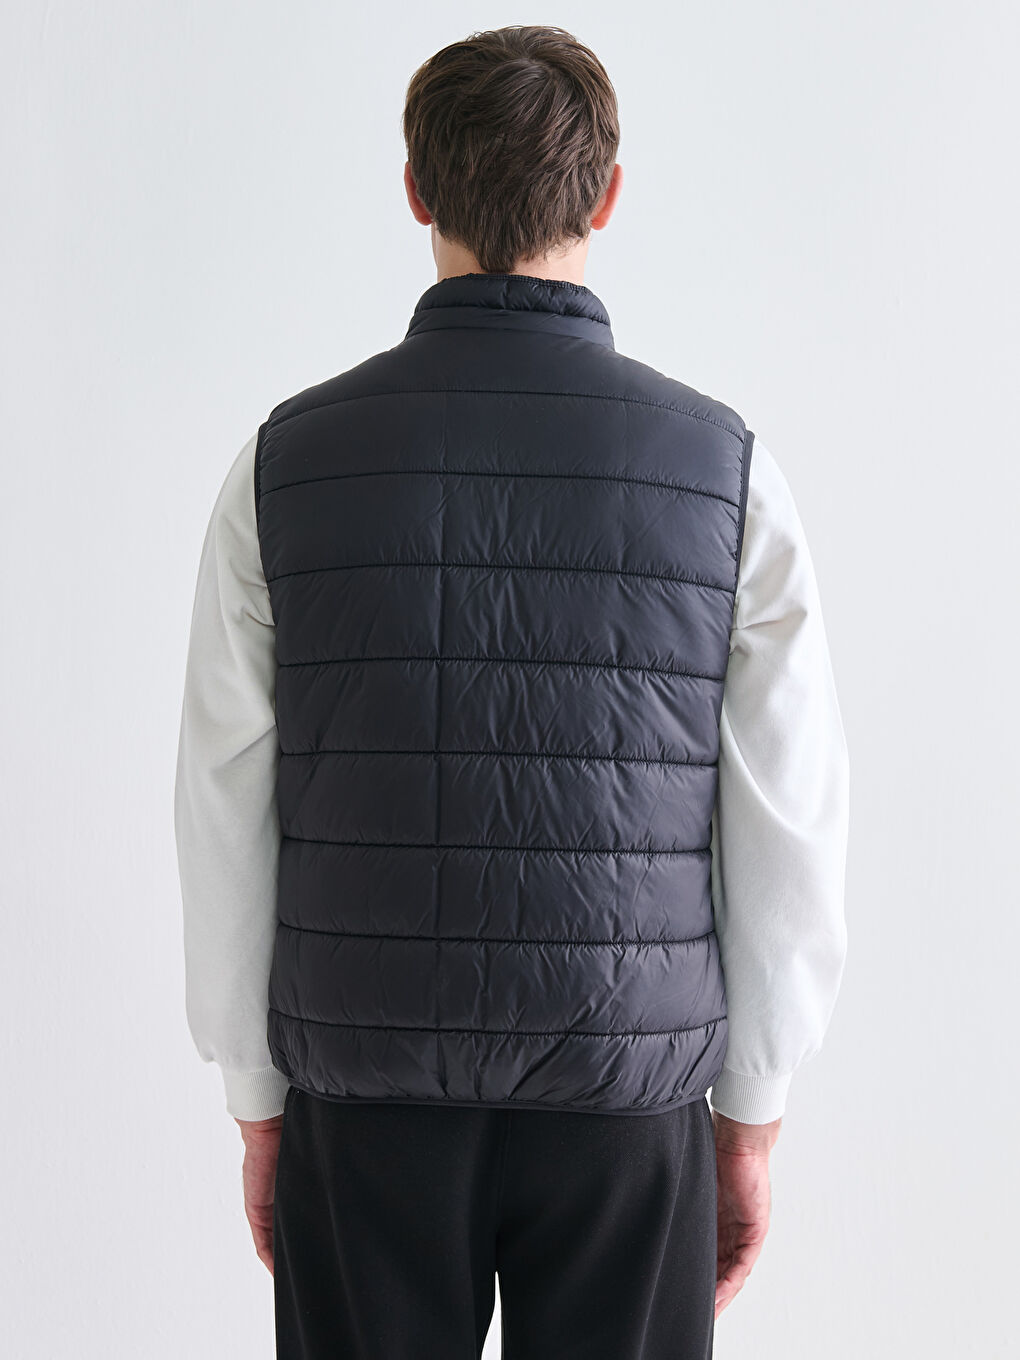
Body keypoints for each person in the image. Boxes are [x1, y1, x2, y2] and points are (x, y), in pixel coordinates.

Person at [174, 24, 849, 1360]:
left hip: (362, 1096)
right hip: (627, 1095)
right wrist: (752, 1111)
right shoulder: (728, 476)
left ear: (416, 190)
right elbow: (789, 815)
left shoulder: (282, 467)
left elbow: (222, 802)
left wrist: (257, 1094)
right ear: (607, 196)